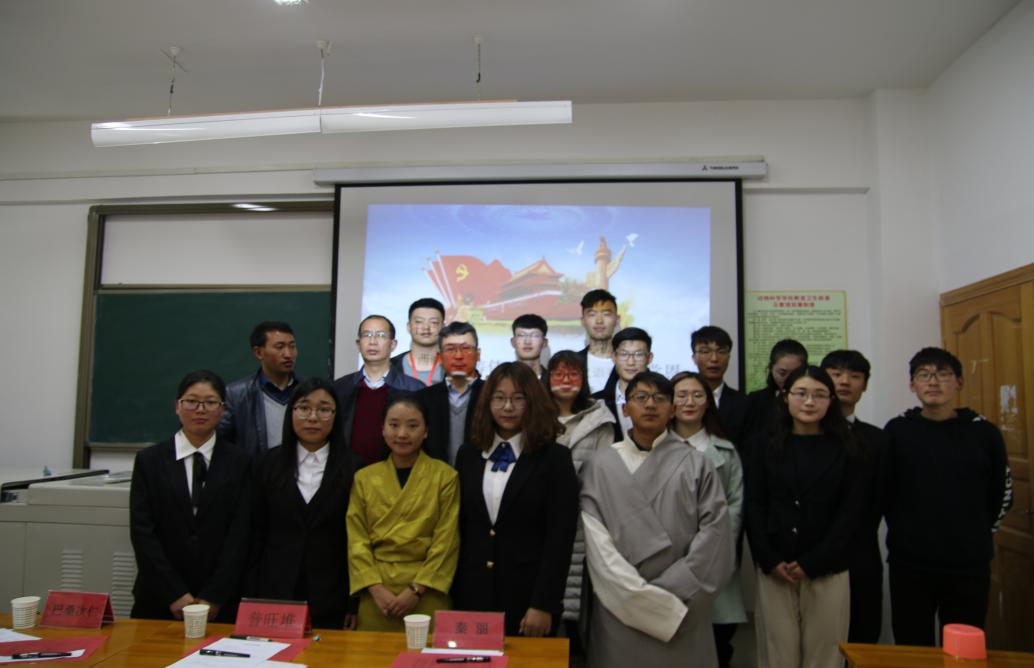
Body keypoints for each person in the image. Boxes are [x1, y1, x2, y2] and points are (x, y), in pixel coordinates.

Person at [580, 371, 733, 668]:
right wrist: (634, 595)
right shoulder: (599, 465)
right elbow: (596, 543)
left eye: (660, 398)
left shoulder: (696, 463)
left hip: (682, 605)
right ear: (625, 408)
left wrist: (668, 594)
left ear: (672, 409)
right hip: (618, 605)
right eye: (641, 397)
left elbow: (716, 538)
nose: (650, 405)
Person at [883, 347, 1012, 646]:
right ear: (912, 384)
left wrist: (977, 535)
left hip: (968, 563)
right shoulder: (897, 431)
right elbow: (884, 491)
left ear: (959, 382)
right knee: (912, 647)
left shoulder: (985, 433)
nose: (933, 382)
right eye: (924, 375)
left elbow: (1002, 493)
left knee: (964, 648)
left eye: (943, 374)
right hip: (910, 561)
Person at [744, 365, 864, 668]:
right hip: (776, 567)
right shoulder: (762, 444)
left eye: (819, 395)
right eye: (801, 393)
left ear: (831, 401)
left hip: (828, 567)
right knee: (777, 655)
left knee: (825, 655)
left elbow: (851, 512)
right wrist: (768, 559)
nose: (809, 402)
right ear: (785, 397)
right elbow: (755, 504)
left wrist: (814, 562)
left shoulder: (848, 447)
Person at [452, 362, 579, 637]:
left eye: (518, 398)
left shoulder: (555, 459)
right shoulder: (468, 455)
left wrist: (543, 603)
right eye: (499, 398)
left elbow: (560, 538)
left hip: (527, 599)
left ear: (533, 403)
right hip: (472, 595)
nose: (507, 407)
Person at [130, 370, 251, 623]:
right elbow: (142, 533)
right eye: (192, 401)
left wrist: (214, 595)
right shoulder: (150, 461)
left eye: (210, 402)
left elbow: (241, 534)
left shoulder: (241, 462)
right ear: (177, 406)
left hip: (222, 602)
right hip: (159, 598)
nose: (200, 410)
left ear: (222, 409)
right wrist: (173, 594)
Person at [248, 378, 359, 629]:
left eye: (324, 409)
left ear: (336, 415)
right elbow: (255, 534)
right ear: (291, 412)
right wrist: (251, 595)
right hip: (274, 591)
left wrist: (353, 602)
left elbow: (357, 542)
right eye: (304, 408)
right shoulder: (266, 465)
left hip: (332, 594)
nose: (313, 417)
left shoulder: (355, 468)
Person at [347, 396, 460, 631]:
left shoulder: (445, 477)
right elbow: (356, 539)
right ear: (383, 429)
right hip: (376, 594)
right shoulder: (364, 478)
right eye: (394, 425)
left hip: (427, 591)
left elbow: (446, 541)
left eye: (412, 425)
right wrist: (375, 588)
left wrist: (416, 589)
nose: (402, 434)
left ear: (426, 431)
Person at [670, 371, 745, 668]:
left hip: (714, 565)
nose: (689, 402)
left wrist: (708, 550)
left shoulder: (726, 451)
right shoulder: (653, 448)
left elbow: (735, 506)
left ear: (708, 403)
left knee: (717, 645)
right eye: (681, 395)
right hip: (665, 565)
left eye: (698, 395)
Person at [546, 350, 616, 652]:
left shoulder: (600, 419)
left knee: (580, 605)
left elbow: (605, 473)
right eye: (558, 374)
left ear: (584, 378)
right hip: (541, 515)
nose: (565, 380)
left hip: (586, 517)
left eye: (573, 374)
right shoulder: (535, 416)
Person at [821, 349, 888, 643]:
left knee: (862, 635)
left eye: (855, 376)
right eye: (836, 374)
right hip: (811, 556)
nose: (845, 381)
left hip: (861, 553)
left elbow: (883, 498)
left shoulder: (877, 440)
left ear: (865, 385)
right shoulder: (800, 434)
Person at [333, 315, 424, 466]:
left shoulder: (414, 389)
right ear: (358, 344)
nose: (373, 341)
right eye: (367, 335)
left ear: (393, 344)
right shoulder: (340, 388)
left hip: (397, 471)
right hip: (348, 472)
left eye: (381, 335)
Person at [219, 321, 301, 456]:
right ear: (258, 353)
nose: (288, 354)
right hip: (254, 467)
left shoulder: (309, 391)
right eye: (280, 347)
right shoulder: (234, 395)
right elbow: (221, 444)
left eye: (292, 346)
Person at [419, 321, 484, 466]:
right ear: (440, 357)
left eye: (466, 348)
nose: (458, 356)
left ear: (478, 354)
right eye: (450, 349)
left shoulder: (491, 395)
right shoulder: (423, 399)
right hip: (436, 477)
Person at [741, 338, 808, 451]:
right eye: (782, 373)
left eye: (796, 373)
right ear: (771, 368)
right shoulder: (755, 400)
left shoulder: (811, 400)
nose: (788, 379)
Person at [691, 325, 748, 447]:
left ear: (729, 357)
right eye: (705, 351)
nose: (714, 359)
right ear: (694, 358)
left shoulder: (744, 403)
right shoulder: (679, 400)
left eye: (721, 352)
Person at [593, 327, 653, 442]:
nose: (631, 362)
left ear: (649, 358)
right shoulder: (596, 402)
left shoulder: (662, 399)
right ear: (614, 357)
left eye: (638, 355)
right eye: (624, 354)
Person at [390, 298, 446, 387]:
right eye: (419, 322)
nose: (426, 327)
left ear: (443, 327)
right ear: (409, 327)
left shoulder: (456, 366)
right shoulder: (389, 367)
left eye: (434, 322)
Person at [577, 289, 620, 394]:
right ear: (583, 321)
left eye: (606, 314)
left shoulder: (629, 363)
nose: (599, 321)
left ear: (617, 319)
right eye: (592, 314)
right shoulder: (573, 363)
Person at [511, 313, 550, 384]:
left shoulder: (552, 382)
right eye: (521, 335)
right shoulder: (501, 381)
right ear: (513, 342)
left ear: (544, 343)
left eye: (535, 336)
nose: (527, 342)